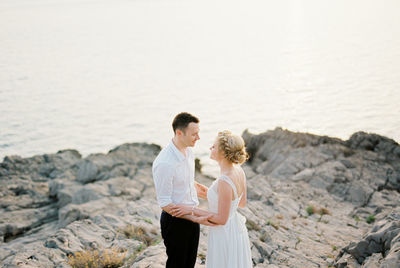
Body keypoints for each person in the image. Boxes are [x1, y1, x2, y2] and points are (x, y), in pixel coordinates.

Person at [170, 130, 253, 268]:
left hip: (224, 233)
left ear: (223, 153)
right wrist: (198, 188)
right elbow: (241, 202)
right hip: (236, 229)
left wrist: (191, 210)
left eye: (213, 146)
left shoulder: (224, 180)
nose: (210, 148)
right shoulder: (238, 170)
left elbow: (221, 219)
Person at [152, 112, 214, 268]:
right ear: (179, 133)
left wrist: (212, 194)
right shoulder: (165, 163)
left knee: (189, 264)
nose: (198, 138)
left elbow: (188, 182)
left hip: (192, 216)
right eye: (194, 134)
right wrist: (195, 217)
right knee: (177, 265)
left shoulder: (189, 152)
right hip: (175, 222)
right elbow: (165, 203)